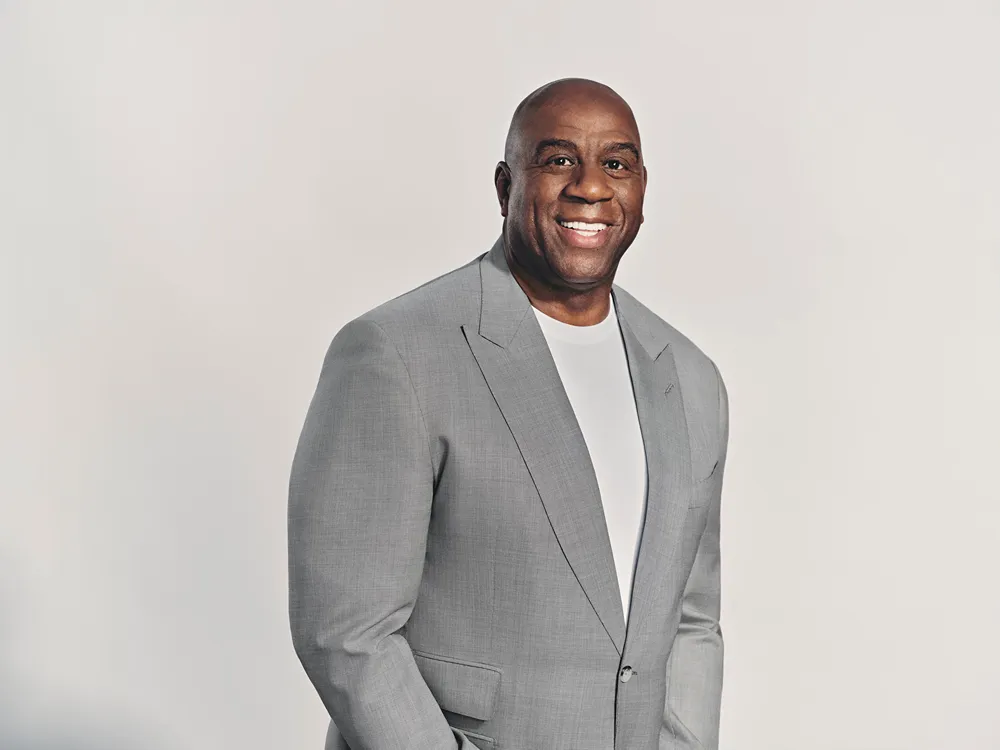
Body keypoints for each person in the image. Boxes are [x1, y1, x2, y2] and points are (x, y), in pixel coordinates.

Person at [288, 77, 730, 750]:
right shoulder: (397, 353)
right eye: (558, 160)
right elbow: (347, 631)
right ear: (505, 186)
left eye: (616, 163)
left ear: (641, 188)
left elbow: (691, 618)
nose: (589, 186)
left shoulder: (692, 380)